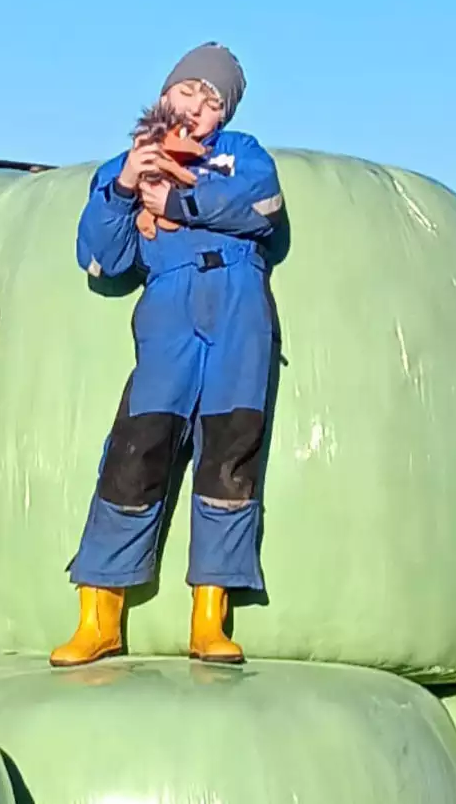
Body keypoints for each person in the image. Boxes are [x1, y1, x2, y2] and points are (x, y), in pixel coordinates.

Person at [52, 41, 283, 667]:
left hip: (239, 311)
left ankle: (210, 615)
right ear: (164, 94)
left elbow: (262, 207)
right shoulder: (124, 169)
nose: (197, 107)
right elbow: (105, 259)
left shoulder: (242, 155)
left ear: (224, 114)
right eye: (188, 91)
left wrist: (176, 202)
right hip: (167, 310)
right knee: (137, 449)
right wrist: (129, 184)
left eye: (212, 101)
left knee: (231, 453)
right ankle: (99, 612)